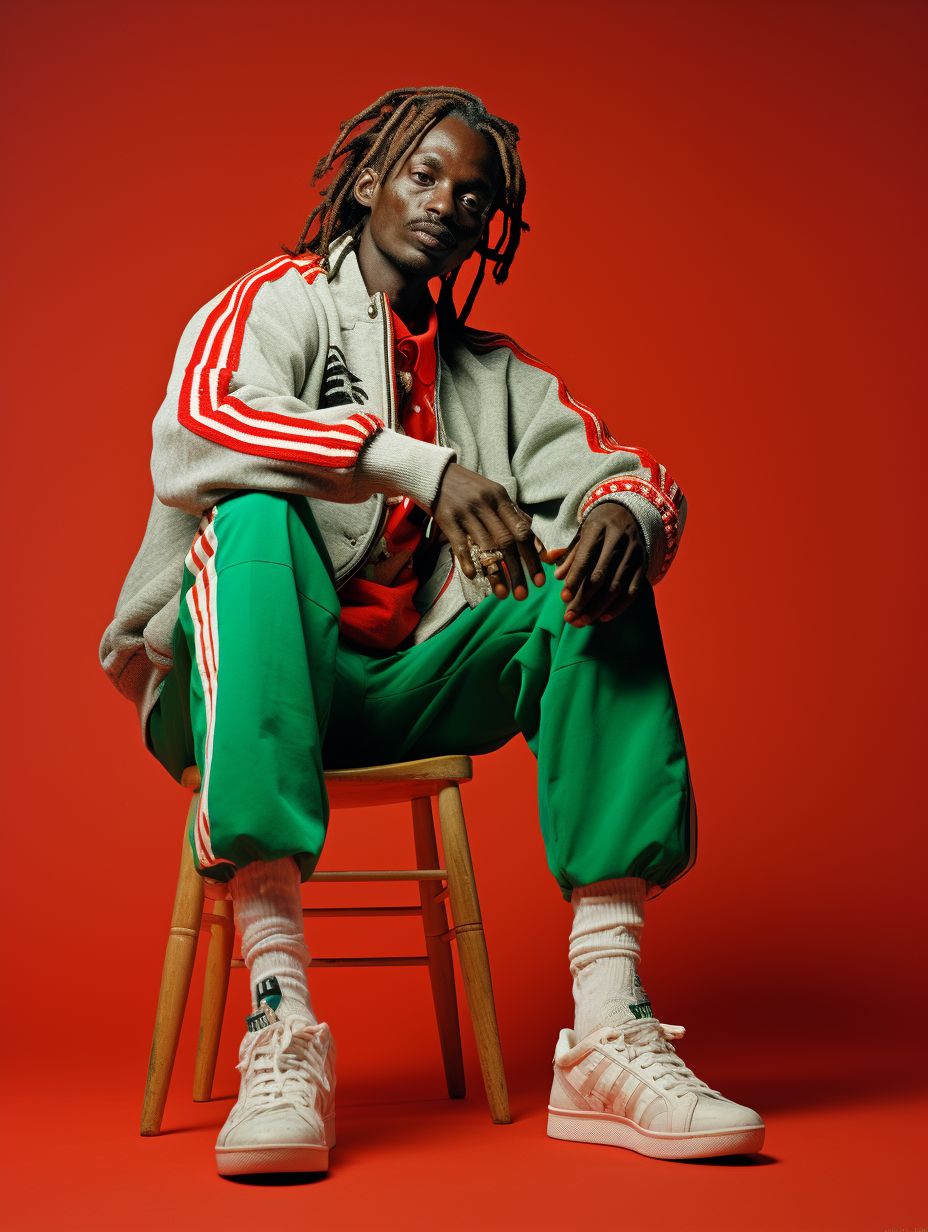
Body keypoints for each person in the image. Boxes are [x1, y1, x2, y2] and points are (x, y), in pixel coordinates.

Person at [100, 86, 764, 1175]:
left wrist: (622, 517)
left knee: (598, 568)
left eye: (474, 194)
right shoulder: (278, 300)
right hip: (233, 689)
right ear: (365, 185)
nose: (447, 204)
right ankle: (279, 1017)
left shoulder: (493, 374)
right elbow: (201, 421)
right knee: (258, 513)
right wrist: (425, 469)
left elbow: (635, 475)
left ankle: (606, 1021)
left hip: (401, 682)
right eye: (423, 175)